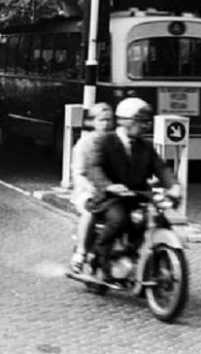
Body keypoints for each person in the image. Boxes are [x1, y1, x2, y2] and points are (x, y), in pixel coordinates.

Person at [84, 97, 182, 282]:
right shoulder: (105, 142)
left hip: (138, 197)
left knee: (157, 222)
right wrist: (110, 186)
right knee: (119, 220)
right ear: (126, 121)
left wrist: (174, 186)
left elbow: (161, 168)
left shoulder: (145, 146)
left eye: (146, 122)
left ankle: (138, 259)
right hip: (110, 198)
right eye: (141, 122)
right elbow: (95, 168)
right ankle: (99, 260)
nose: (145, 126)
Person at [69, 102, 114, 274]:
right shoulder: (84, 144)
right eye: (102, 120)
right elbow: (79, 172)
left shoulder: (115, 142)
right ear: (93, 122)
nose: (106, 124)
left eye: (109, 120)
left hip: (109, 190)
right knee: (91, 210)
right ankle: (80, 253)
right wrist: (90, 188)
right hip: (88, 191)